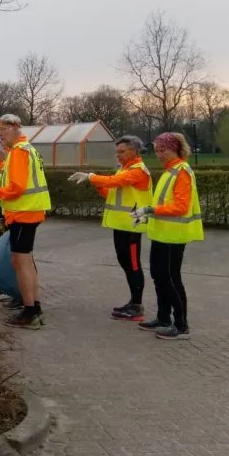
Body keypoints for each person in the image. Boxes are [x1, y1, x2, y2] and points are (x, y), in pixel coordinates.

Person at [69, 135, 153, 322]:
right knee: (126, 263)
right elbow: (112, 193)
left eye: (122, 151)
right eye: (116, 151)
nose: (117, 155)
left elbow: (115, 182)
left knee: (132, 265)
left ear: (135, 151)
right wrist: (98, 184)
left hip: (132, 225)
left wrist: (91, 177)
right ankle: (133, 303)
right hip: (121, 225)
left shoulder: (137, 171)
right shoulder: (124, 169)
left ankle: (137, 306)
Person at [131, 132, 203, 340]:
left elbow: (180, 207)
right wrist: (146, 215)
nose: (160, 154)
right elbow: (165, 204)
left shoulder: (181, 171)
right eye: (157, 150)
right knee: (159, 276)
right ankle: (163, 318)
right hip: (163, 234)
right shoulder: (170, 171)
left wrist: (150, 211)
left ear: (176, 149)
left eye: (164, 150)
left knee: (170, 279)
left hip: (174, 236)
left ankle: (181, 326)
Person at [0, 114, 51, 329]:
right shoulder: (29, 149)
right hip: (29, 212)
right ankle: (35, 307)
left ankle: (30, 311)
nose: (0, 134)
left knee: (20, 262)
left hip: (24, 213)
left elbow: (17, 187)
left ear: (15, 128)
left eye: (3, 129)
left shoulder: (18, 152)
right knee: (26, 261)